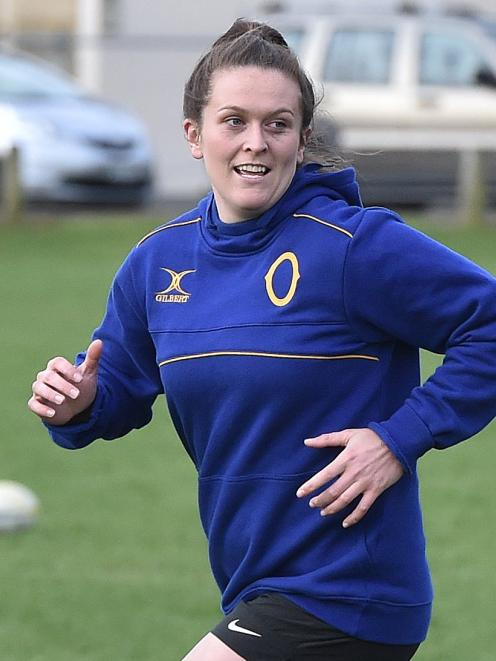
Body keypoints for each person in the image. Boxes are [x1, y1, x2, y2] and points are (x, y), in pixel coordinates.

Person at [28, 19, 496, 661]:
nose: (257, 143)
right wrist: (79, 402)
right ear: (194, 134)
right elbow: (117, 389)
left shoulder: (353, 247)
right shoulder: (157, 263)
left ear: (303, 140)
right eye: (234, 121)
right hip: (253, 583)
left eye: (277, 124)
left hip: (346, 592)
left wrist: (399, 437)